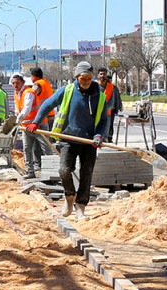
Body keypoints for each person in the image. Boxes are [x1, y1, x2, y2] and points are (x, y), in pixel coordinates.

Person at [34, 61, 113, 218]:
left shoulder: (100, 96)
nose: (86, 82)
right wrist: (36, 122)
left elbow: (104, 120)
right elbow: (47, 105)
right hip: (68, 138)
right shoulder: (67, 91)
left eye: (88, 78)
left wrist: (99, 135)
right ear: (76, 77)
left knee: (86, 174)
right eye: (82, 79)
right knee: (64, 171)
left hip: (89, 142)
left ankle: (81, 207)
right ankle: (69, 196)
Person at [17, 66, 54, 179]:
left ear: (33, 76)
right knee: (41, 145)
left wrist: (19, 118)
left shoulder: (36, 85)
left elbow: (31, 98)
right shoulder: (46, 83)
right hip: (49, 115)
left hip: (39, 119)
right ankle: (41, 168)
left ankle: (48, 171)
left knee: (42, 146)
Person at [97, 68, 125, 142]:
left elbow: (117, 98)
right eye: (101, 74)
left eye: (104, 74)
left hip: (108, 112)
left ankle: (107, 138)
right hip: (96, 112)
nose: (102, 76)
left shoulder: (112, 87)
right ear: (98, 75)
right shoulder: (94, 86)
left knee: (107, 127)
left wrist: (119, 106)